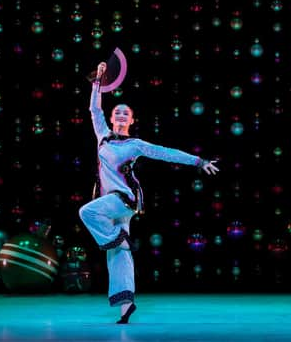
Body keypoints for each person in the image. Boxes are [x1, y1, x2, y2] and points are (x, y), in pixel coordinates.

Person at [79, 62, 220, 324]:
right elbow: (93, 108)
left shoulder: (136, 144)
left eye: (126, 113)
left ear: (132, 120)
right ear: (111, 119)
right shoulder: (102, 136)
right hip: (108, 203)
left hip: (125, 199)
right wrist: (98, 81)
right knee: (118, 254)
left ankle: (117, 238)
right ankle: (126, 305)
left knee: (86, 212)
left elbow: (167, 153)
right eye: (117, 112)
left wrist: (199, 162)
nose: (121, 114)